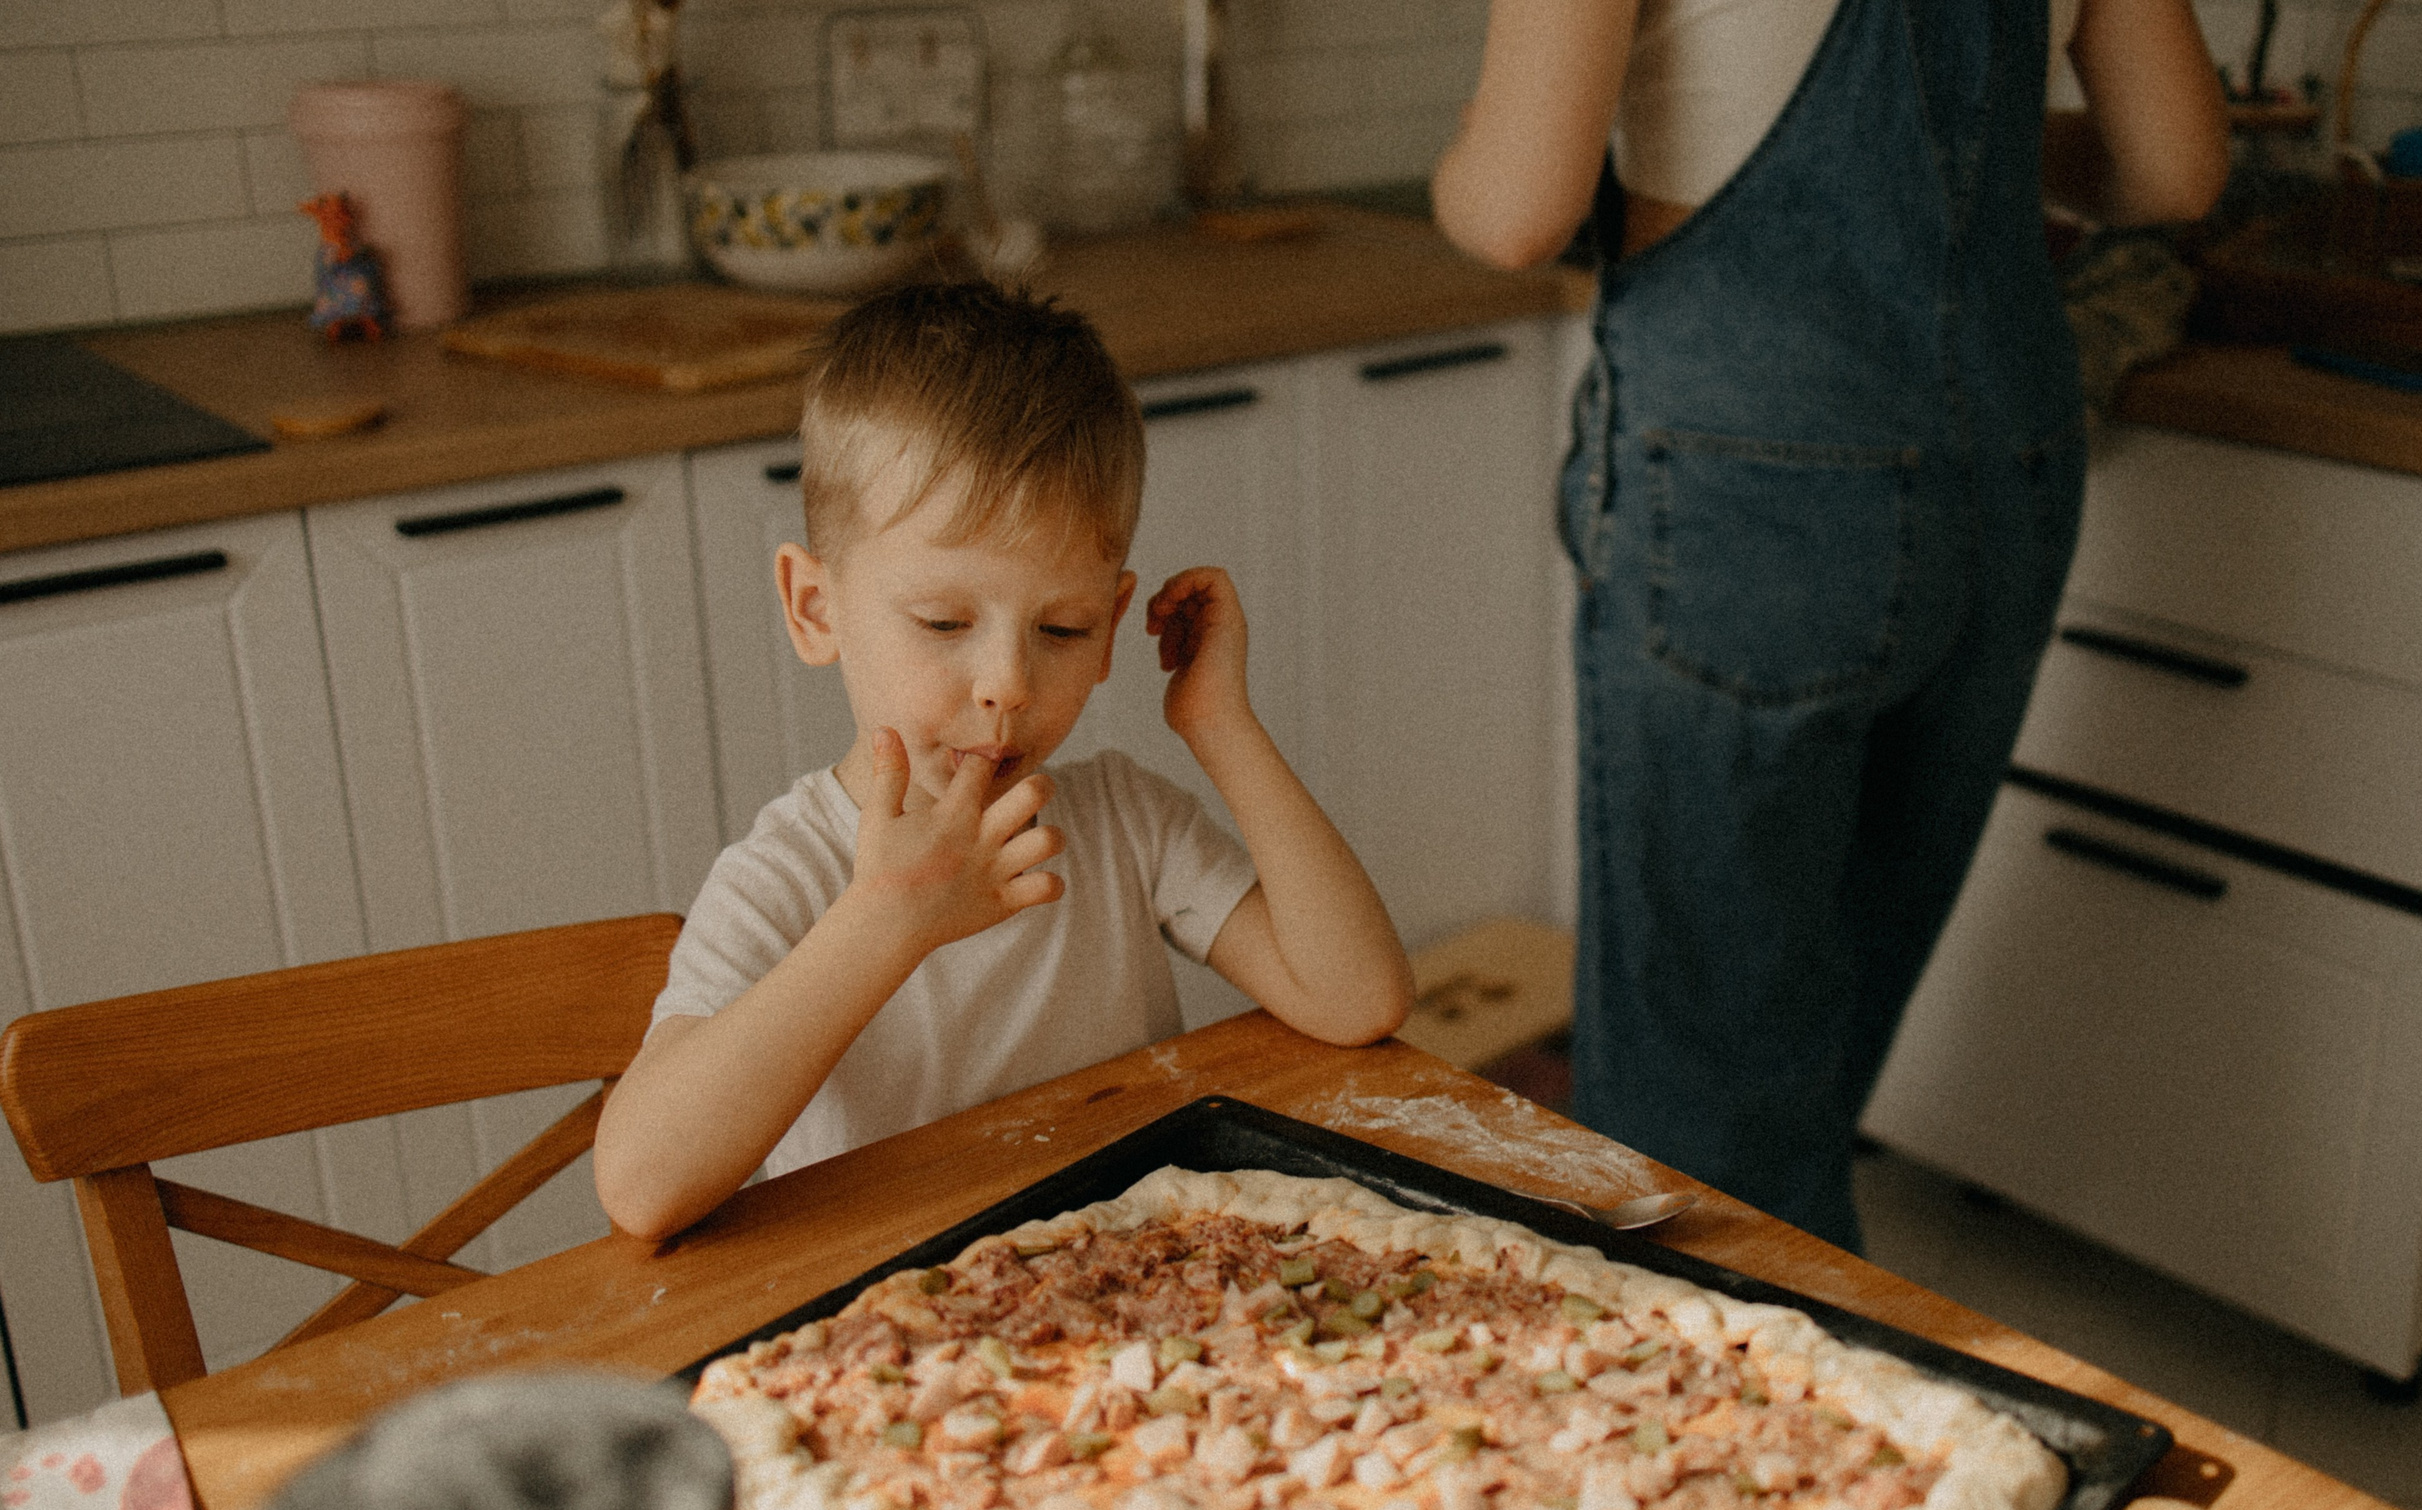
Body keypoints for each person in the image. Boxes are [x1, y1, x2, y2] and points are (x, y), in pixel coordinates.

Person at [1431, 0, 2227, 1250]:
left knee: (1699, 1105)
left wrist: (1463, 162)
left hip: (1753, 474)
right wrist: (1968, 150)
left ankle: (1759, 1413)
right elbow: (2172, 167)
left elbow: (1518, 209)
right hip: (2002, 468)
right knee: (1813, 1030)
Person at [595, 282, 1414, 1241]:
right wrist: (887, 920)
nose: (1008, 683)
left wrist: (1220, 722)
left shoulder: (1124, 825)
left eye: (1061, 629)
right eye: (944, 622)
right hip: (898, 1335)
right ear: (816, 608)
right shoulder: (789, 877)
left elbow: (1357, 996)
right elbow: (643, 1182)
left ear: (1113, 626)